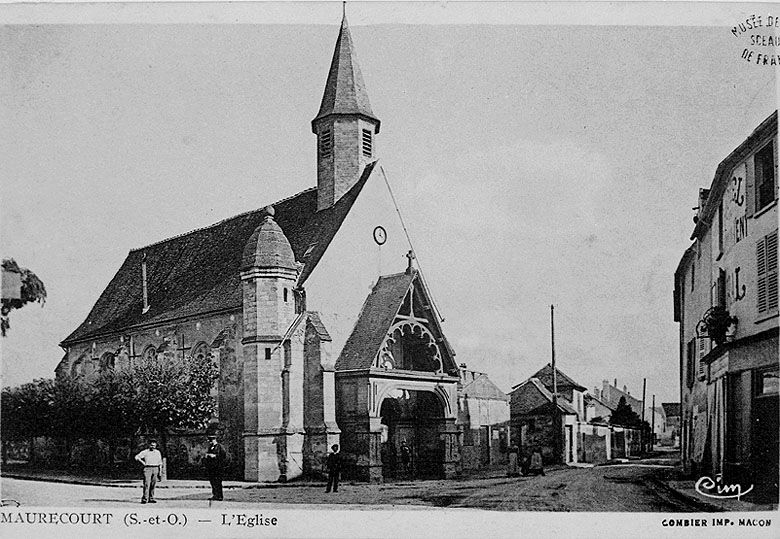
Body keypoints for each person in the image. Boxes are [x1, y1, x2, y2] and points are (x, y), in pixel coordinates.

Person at [134, 439, 163, 504]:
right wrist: (143, 462)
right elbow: (137, 457)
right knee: (147, 484)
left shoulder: (158, 452)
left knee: (153, 484)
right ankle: (145, 498)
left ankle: (151, 498)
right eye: (152, 445)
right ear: (149, 445)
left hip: (155, 468)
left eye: (154, 445)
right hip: (147, 468)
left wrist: (160, 471)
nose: (153, 447)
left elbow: (160, 462)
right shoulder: (145, 452)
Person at [204, 434, 227, 501]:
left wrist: (215, 456)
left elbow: (223, 456)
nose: (210, 442)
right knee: (212, 481)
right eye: (209, 441)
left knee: (218, 482)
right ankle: (215, 495)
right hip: (211, 467)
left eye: (211, 440)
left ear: (214, 440)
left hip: (218, 467)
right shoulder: (211, 447)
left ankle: (219, 496)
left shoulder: (220, 447)